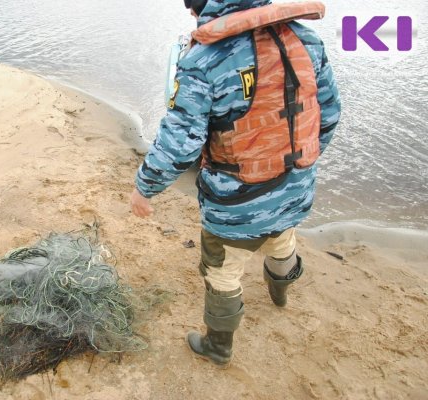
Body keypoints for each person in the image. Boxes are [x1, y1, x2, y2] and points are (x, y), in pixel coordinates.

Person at [130, 0, 341, 366]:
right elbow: (330, 113)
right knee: (282, 239)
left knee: (222, 270)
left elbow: (180, 145)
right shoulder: (305, 40)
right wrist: (298, 165)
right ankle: (280, 294)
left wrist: (144, 188)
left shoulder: (203, 62)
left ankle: (218, 347)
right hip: (296, 188)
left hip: (234, 204)